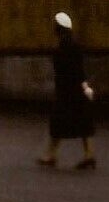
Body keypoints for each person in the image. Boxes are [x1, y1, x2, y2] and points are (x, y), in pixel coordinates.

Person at [37, 11, 96, 171]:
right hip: (78, 89)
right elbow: (80, 70)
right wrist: (85, 86)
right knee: (84, 123)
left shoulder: (60, 49)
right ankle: (89, 154)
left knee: (57, 123)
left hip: (65, 91)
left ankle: (51, 154)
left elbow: (60, 72)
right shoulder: (76, 46)